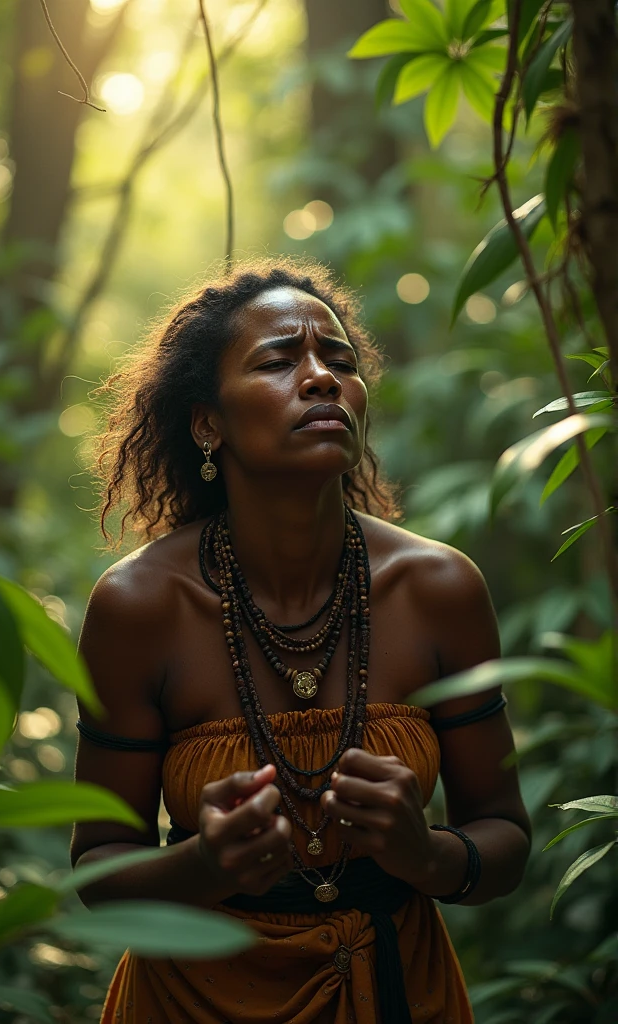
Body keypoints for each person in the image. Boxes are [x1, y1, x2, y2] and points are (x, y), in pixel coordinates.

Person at [71, 258, 531, 1024]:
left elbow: (507, 837)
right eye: (278, 361)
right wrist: (205, 864)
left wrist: (426, 855)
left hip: (398, 992)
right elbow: (96, 867)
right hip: (189, 1000)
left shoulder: (439, 590)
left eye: (339, 360)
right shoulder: (139, 606)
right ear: (207, 423)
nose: (321, 378)